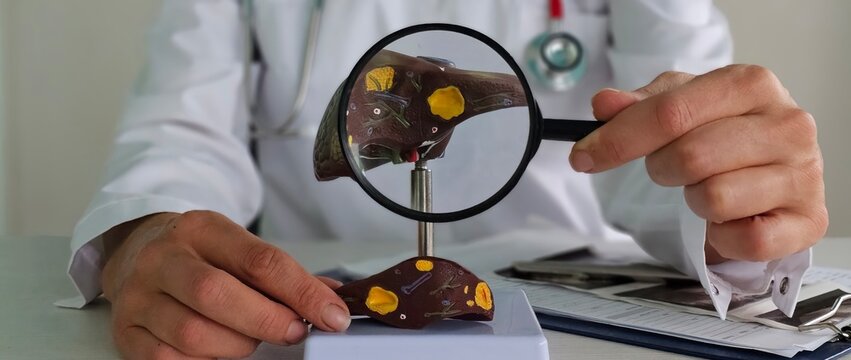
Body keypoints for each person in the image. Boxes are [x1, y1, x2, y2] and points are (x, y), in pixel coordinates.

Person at [65, 0, 827, 358]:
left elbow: (664, 137)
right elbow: (179, 132)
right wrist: (148, 227)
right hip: (308, 307)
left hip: (572, 316)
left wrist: (728, 199)